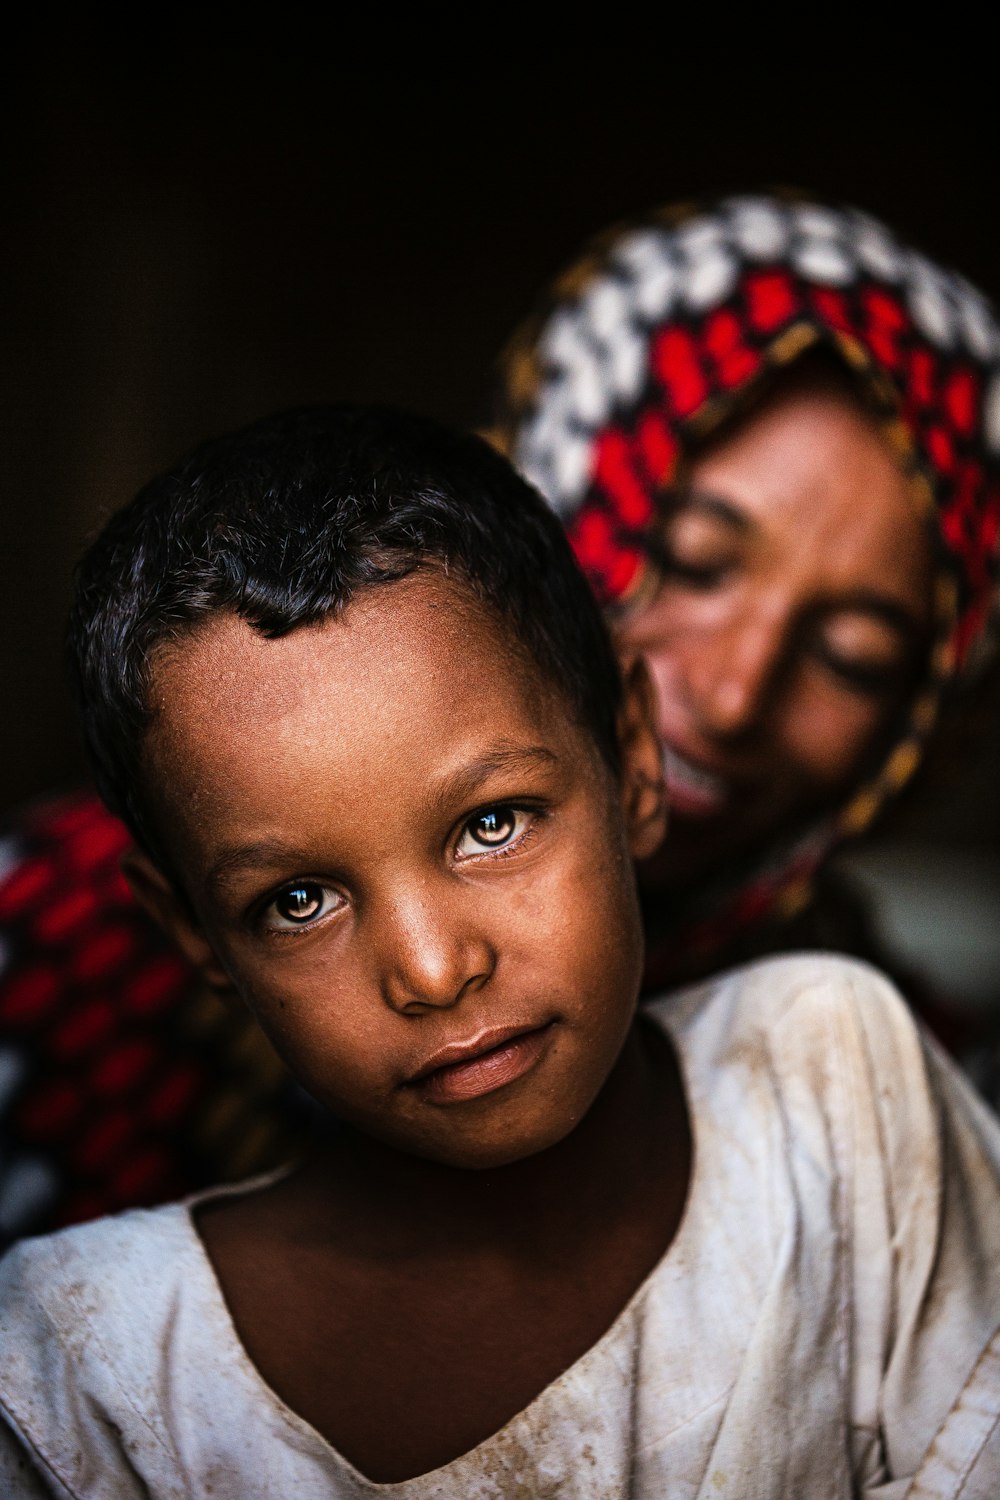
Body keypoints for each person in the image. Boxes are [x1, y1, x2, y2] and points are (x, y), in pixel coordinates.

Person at [1, 404, 998, 1495]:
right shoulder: (79, 1380)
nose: (432, 970)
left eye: (492, 824)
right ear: (192, 930)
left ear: (629, 759)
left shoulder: (832, 1087)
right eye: (298, 900)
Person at [492, 193, 1000, 1000]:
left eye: (854, 659)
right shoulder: (253, 927)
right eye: (690, 561)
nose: (735, 697)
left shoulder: (884, 1090)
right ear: (542, 497)